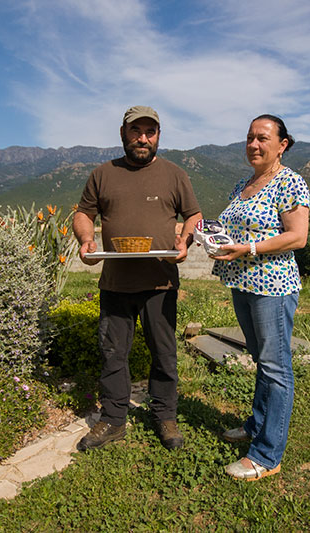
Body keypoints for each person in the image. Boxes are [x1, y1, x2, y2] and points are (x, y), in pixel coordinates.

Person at [73, 105, 202, 451]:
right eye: (136, 131)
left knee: (164, 351)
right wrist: (87, 239)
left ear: (158, 136)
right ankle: (113, 420)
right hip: (115, 281)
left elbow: (194, 215)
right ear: (123, 133)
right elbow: (84, 213)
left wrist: (184, 240)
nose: (142, 138)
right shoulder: (103, 174)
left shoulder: (174, 174)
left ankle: (165, 416)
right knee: (113, 352)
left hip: (160, 280)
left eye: (150, 132)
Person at [210, 114, 310, 480]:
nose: (254, 144)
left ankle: (267, 455)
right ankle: (256, 425)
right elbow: (233, 229)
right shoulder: (243, 184)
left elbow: (297, 236)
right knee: (261, 359)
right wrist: (218, 243)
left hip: (272, 287)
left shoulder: (290, 182)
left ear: (282, 145)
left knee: (275, 367)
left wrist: (248, 247)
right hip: (244, 283)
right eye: (250, 137)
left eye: (263, 138)